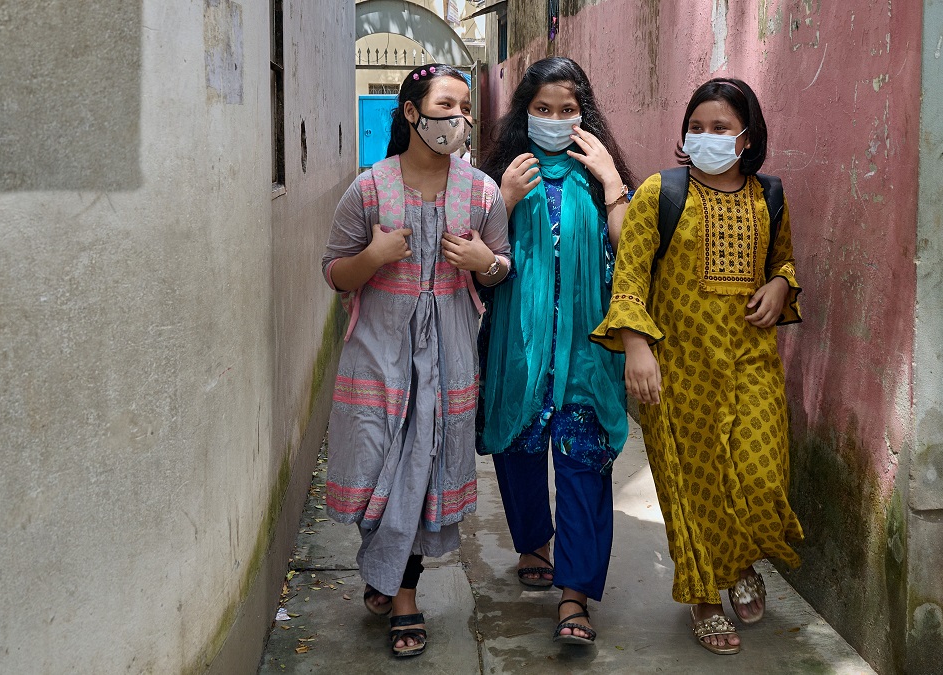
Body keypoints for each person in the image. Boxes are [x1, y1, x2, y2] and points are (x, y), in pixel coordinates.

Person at [590, 78, 804, 655]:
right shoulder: (661, 193)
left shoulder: (771, 195)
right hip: (677, 370)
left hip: (751, 363)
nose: (705, 137)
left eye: (721, 128)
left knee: (760, 478)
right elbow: (630, 278)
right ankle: (707, 597)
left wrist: (782, 285)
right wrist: (637, 349)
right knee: (694, 486)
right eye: (697, 126)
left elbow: (781, 258)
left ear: (747, 137)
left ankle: (737, 563)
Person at [320, 64, 511, 659]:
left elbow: (503, 269)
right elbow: (334, 272)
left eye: (464, 109)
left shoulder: (481, 191)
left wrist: (485, 260)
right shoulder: (370, 189)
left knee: (425, 465)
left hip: (449, 349)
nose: (458, 119)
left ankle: (403, 592)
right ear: (411, 113)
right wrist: (373, 255)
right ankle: (387, 568)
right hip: (379, 352)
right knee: (380, 461)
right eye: (445, 107)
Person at [477, 56, 636, 646]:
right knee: (518, 452)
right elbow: (474, 250)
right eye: (542, 110)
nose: (555, 120)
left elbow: (634, 254)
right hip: (519, 348)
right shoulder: (502, 174)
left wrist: (613, 180)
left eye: (568, 110)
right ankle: (533, 544)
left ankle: (574, 594)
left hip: (587, 351)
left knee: (582, 463)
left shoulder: (602, 179)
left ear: (585, 116)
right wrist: (503, 198)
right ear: (524, 114)